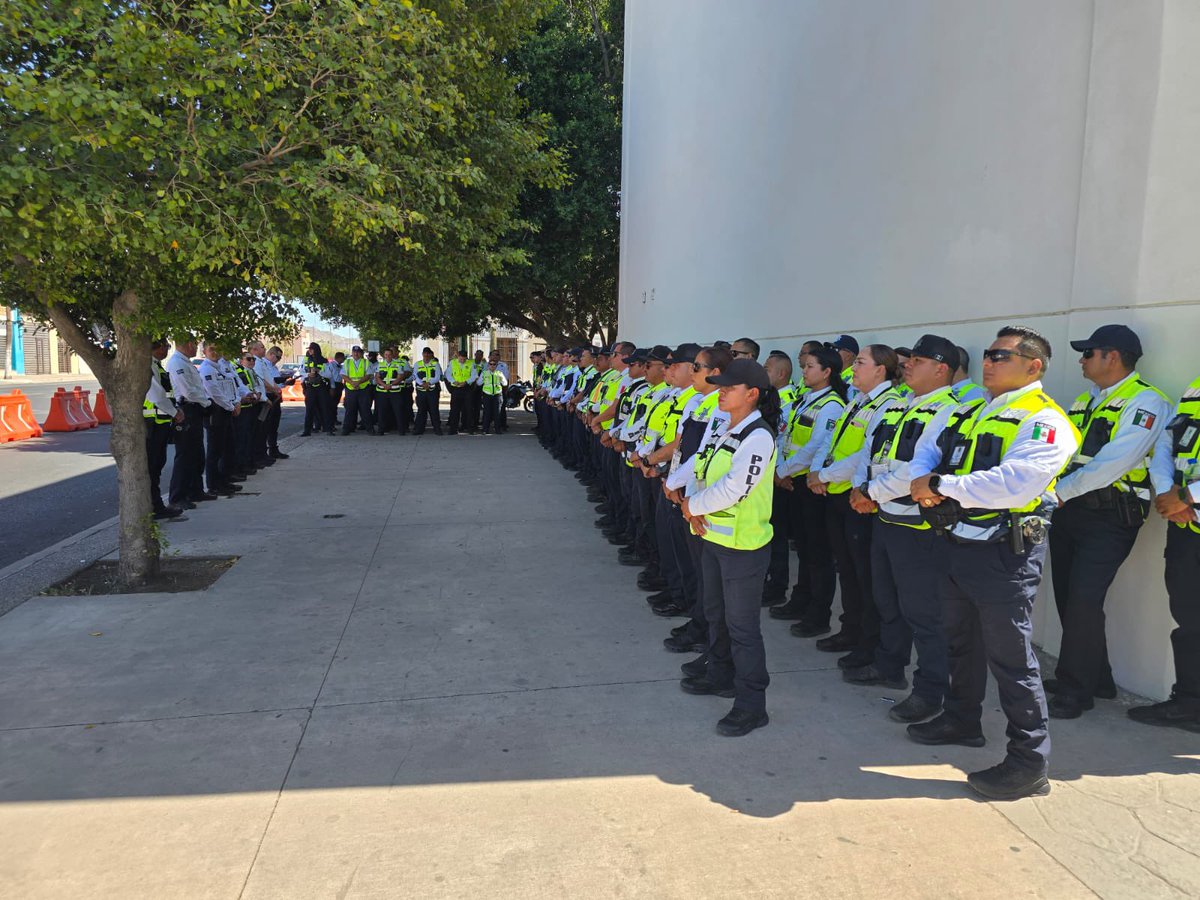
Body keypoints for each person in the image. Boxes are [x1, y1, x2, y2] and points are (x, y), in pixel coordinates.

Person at [908, 325, 1079, 801]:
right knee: (959, 639)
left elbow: (1017, 483)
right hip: (958, 542)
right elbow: (931, 442)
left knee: (1012, 659)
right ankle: (962, 720)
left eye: (1000, 356)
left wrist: (940, 486)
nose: (988, 362)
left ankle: (1029, 763)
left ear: (1034, 365)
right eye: (987, 354)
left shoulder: (1045, 421)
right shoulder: (975, 410)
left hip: (1005, 553)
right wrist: (927, 475)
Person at [1046, 325, 1170, 718]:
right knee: (1069, 597)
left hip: (1110, 516)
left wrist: (1060, 492)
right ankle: (1096, 678)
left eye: (1088, 353)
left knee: (1084, 598)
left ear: (1112, 357)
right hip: (1071, 511)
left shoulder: (1147, 401)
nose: (1081, 360)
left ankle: (1075, 690)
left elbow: (1116, 461)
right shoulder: (1086, 400)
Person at [845, 334, 962, 721]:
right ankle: (889, 665)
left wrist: (872, 493)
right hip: (886, 518)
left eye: (919, 360)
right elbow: (870, 452)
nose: (907, 364)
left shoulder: (948, 411)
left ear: (941, 369)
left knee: (923, 612)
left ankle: (930, 691)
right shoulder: (901, 407)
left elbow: (918, 470)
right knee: (887, 599)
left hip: (918, 526)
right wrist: (863, 489)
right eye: (908, 359)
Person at [679, 358, 780, 737]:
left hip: (743, 547)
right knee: (716, 613)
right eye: (719, 386)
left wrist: (693, 506)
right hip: (713, 537)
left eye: (728, 388)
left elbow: (737, 487)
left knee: (743, 628)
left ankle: (752, 704)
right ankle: (720, 674)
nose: (720, 391)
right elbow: (702, 466)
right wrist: (685, 496)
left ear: (752, 394)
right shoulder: (728, 426)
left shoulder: (758, 437)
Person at [806, 344, 903, 668]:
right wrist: (818, 473)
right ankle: (851, 630)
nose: (853, 368)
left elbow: (866, 453)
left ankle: (869, 643)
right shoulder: (858, 401)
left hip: (860, 501)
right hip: (838, 494)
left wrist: (825, 474)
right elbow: (832, 442)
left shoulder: (889, 405)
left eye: (860, 362)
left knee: (866, 578)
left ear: (881, 370)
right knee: (847, 571)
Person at [1136, 372, 1200, 732]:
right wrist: (1168, 493)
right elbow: (1165, 443)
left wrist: (1188, 495)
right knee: (1190, 621)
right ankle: (1190, 703)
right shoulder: (1194, 388)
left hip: (1187, 506)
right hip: (1185, 526)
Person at [769, 345, 847, 632]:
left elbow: (815, 447)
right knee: (803, 548)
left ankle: (818, 613)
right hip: (791, 481)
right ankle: (800, 599)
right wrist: (780, 471)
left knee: (817, 552)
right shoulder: (806, 399)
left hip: (809, 484)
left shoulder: (832, 405)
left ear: (827, 372)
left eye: (811, 366)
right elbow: (785, 435)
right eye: (805, 366)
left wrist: (783, 472)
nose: (804, 370)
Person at [166, 335, 216, 508]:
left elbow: (197, 387)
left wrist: (204, 402)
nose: (196, 348)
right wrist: (207, 402)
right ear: (188, 344)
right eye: (195, 345)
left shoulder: (186, 362)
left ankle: (195, 490)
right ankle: (178, 496)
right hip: (187, 409)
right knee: (185, 455)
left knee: (197, 453)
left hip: (196, 409)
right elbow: (188, 391)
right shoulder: (177, 363)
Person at [144, 338, 185, 520]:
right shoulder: (148, 366)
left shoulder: (157, 365)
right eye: (166, 347)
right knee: (152, 468)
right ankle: (155, 507)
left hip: (159, 423)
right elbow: (157, 395)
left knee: (156, 466)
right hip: (152, 424)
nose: (167, 350)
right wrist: (174, 412)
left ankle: (155, 505)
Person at [198, 342, 242, 496]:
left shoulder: (221, 367)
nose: (214, 352)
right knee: (215, 450)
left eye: (217, 348)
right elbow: (214, 392)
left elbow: (232, 385)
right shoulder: (206, 369)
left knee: (227, 447)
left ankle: (224, 480)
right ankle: (214, 484)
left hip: (227, 409)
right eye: (211, 349)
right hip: (216, 412)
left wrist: (236, 402)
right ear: (204, 352)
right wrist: (231, 406)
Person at [251, 342, 290, 460]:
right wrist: (273, 389)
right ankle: (262, 454)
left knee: (273, 425)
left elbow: (271, 380)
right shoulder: (257, 362)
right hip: (266, 397)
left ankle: (272, 450)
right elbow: (261, 381)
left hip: (274, 396)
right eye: (262, 348)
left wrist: (280, 385)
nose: (264, 349)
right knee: (264, 427)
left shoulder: (264, 363)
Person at [301, 343, 336, 436]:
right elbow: (301, 372)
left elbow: (329, 375)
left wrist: (319, 371)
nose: (310, 351)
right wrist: (308, 375)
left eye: (312, 349)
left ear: (316, 350)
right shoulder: (306, 360)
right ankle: (307, 431)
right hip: (310, 386)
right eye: (309, 349)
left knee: (325, 408)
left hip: (322, 387)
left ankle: (328, 429)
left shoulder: (324, 361)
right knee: (309, 409)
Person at [340, 345, 375, 435]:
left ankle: (370, 429)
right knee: (350, 410)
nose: (356, 353)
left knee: (365, 409)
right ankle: (347, 429)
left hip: (363, 389)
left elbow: (369, 375)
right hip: (351, 389)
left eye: (358, 352)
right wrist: (352, 383)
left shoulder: (366, 362)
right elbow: (343, 375)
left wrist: (358, 383)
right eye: (354, 352)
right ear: (352, 353)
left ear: (361, 353)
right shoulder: (347, 362)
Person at [374, 347, 409, 435]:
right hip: (382, 391)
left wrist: (391, 385)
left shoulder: (398, 365)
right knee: (382, 411)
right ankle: (381, 430)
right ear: (383, 356)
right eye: (386, 355)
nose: (388, 356)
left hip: (395, 391)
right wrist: (384, 385)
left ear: (392, 355)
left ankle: (401, 430)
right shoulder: (380, 365)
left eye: (389, 355)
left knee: (398, 411)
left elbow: (400, 377)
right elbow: (377, 377)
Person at [411, 346, 444, 435]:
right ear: (422, 354)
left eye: (428, 354)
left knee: (434, 410)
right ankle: (419, 429)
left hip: (432, 390)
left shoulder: (435, 364)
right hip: (421, 390)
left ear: (430, 355)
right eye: (424, 354)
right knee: (421, 410)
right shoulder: (418, 364)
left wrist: (428, 383)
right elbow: (415, 376)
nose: (426, 356)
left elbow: (437, 377)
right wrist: (422, 384)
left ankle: (437, 429)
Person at [445, 348, 475, 435]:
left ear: (466, 358)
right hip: (456, 388)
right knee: (455, 410)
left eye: (464, 359)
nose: (462, 360)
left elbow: (474, 375)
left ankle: (469, 428)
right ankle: (453, 429)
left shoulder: (470, 363)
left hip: (466, 388)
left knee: (469, 409)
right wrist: (453, 381)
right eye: (460, 358)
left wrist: (466, 382)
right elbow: (448, 374)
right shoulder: (452, 362)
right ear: (458, 357)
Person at [480, 357, 508, 434]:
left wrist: (500, 379)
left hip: (497, 395)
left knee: (497, 413)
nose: (492, 366)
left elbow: (505, 383)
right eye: (491, 364)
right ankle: (485, 429)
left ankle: (497, 429)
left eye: (494, 364)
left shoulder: (499, 373)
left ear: (496, 366)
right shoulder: (484, 373)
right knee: (487, 412)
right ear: (488, 365)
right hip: (487, 394)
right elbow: (479, 382)